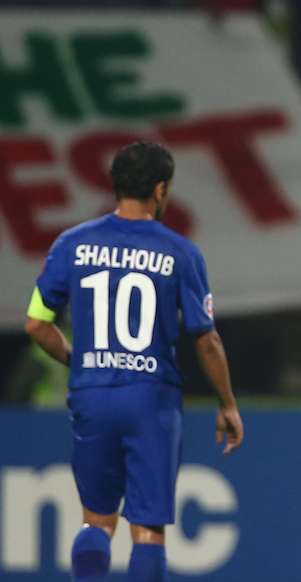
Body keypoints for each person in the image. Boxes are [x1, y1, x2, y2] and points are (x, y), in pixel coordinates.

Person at [23, 142, 244, 582]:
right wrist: (227, 403)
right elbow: (207, 339)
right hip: (152, 399)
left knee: (96, 521)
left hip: (92, 393)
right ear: (161, 190)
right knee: (147, 530)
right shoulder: (181, 253)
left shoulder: (72, 244)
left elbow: (35, 323)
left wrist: (76, 359)